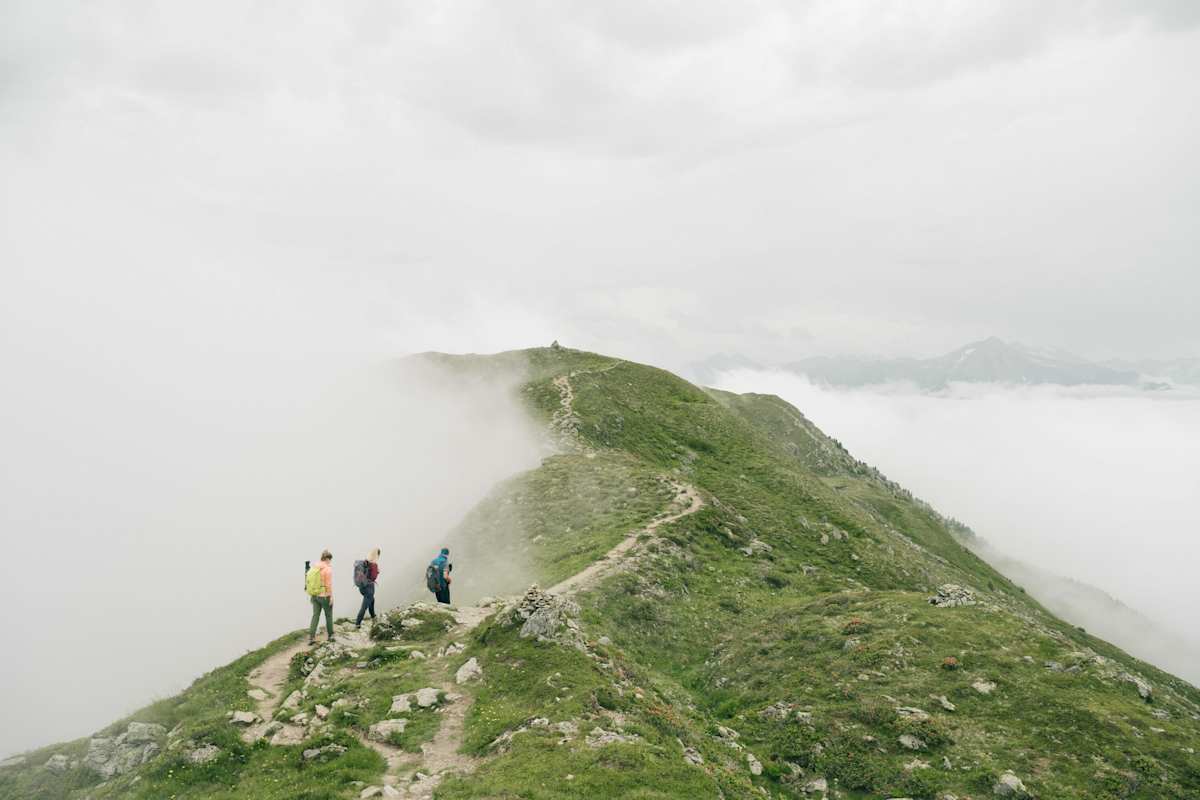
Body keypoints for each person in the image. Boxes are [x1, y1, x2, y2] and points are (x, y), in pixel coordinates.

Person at [306, 549, 335, 645]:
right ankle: (331, 636)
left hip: (314, 595)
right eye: (329, 559)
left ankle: (311, 637)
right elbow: (328, 584)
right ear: (327, 558)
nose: (330, 561)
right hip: (324, 596)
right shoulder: (327, 569)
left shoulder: (315, 566)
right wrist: (331, 597)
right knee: (329, 615)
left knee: (315, 615)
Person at [354, 548, 381, 629]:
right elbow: (373, 577)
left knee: (372, 600)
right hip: (369, 588)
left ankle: (373, 616)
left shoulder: (364, 562)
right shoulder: (374, 564)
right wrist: (377, 571)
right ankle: (357, 623)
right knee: (364, 606)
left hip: (362, 587)